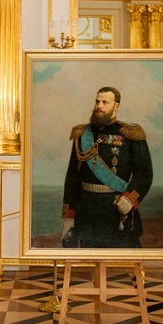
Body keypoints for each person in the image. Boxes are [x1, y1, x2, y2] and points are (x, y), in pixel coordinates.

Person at [61, 86, 153, 248]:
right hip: (87, 212)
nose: (99, 106)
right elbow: (72, 178)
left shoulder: (130, 134)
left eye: (105, 102)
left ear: (116, 106)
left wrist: (129, 199)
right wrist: (69, 217)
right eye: (97, 101)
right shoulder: (82, 134)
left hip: (116, 209)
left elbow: (144, 173)